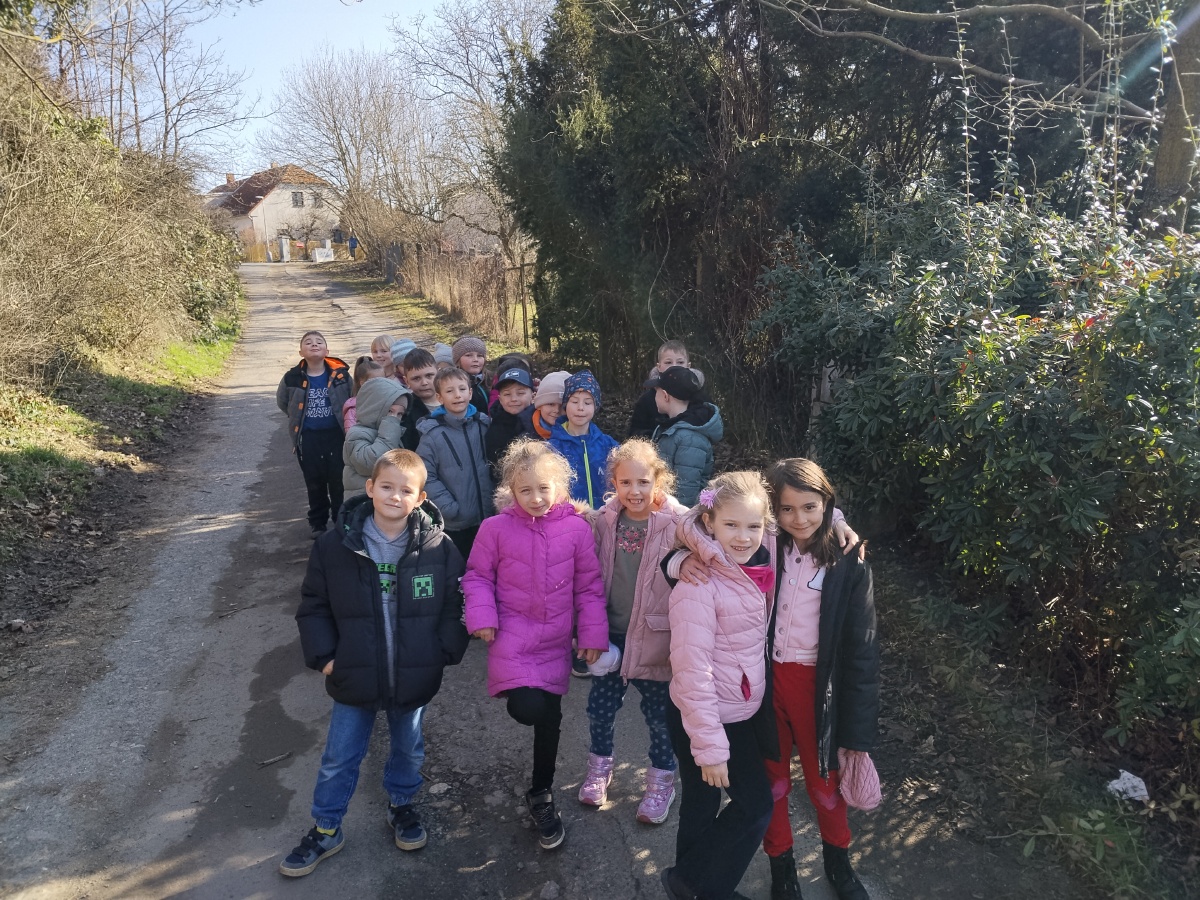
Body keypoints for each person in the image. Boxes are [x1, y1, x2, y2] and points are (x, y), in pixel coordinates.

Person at [282, 449, 469, 877]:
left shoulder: (439, 549)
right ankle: (326, 828)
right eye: (386, 487)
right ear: (369, 488)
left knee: (408, 748)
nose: (394, 497)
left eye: (405, 490)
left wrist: (443, 651)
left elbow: (457, 603)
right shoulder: (335, 546)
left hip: (414, 671)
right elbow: (313, 605)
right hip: (353, 672)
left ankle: (401, 805)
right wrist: (326, 657)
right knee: (340, 756)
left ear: (420, 498)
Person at [462, 439, 609, 851]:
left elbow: (589, 587)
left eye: (544, 488)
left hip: (556, 641)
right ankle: (540, 786)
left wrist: (591, 635)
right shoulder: (495, 528)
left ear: (559, 486)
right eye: (525, 490)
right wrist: (482, 617)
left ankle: (541, 793)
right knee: (527, 708)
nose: (536, 498)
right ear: (511, 489)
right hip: (511, 635)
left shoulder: (577, 529)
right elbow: (476, 576)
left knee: (550, 718)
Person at [760, 458, 877, 900]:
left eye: (810, 507)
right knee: (773, 780)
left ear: (827, 503)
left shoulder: (848, 562)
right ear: (772, 510)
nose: (799, 519)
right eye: (786, 509)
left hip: (817, 689)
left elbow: (863, 651)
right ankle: (781, 867)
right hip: (765, 682)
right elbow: (708, 510)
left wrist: (857, 733)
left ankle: (838, 863)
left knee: (825, 785)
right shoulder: (762, 543)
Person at [661, 471, 777, 900]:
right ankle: (695, 885)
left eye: (753, 526)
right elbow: (692, 671)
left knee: (709, 802)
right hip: (704, 715)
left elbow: (808, 512)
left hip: (736, 710)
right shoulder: (698, 583)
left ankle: (691, 886)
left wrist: (837, 521)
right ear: (709, 522)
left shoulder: (758, 561)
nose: (743, 537)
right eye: (731, 525)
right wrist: (710, 748)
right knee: (747, 805)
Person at [579, 439, 687, 824]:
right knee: (600, 709)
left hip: (656, 639)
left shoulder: (679, 523)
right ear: (614, 483)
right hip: (610, 636)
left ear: (659, 481)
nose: (634, 491)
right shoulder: (604, 520)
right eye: (625, 482)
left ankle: (661, 781)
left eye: (643, 482)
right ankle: (599, 768)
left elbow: (723, 529)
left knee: (659, 716)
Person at [276, 331, 352, 538]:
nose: (314, 344)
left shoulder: (341, 375)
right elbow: (283, 402)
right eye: (308, 342)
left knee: (338, 481)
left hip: (337, 437)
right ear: (301, 352)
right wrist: (298, 418)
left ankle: (340, 520)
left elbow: (352, 397)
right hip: (309, 439)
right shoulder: (292, 377)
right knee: (314, 482)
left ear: (327, 350)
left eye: (319, 342)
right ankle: (318, 523)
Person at [415, 367, 493, 560]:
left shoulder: (484, 424)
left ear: (470, 392)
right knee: (461, 566)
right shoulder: (432, 434)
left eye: (462, 389)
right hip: (457, 523)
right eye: (450, 391)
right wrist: (448, 507)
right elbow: (425, 475)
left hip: (489, 516)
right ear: (439, 397)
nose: (457, 395)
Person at [652, 366, 724, 507]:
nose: (654, 397)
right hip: (662, 508)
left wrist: (676, 516)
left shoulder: (690, 438)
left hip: (675, 514)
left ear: (665, 396)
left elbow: (686, 491)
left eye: (656, 392)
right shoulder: (669, 427)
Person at [547, 370, 619, 509]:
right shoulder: (552, 448)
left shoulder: (608, 445)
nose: (580, 408)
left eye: (587, 403)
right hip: (568, 518)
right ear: (565, 405)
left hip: (605, 517)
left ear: (595, 407)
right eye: (574, 401)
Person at [342, 377, 411, 499]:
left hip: (385, 499)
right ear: (373, 408)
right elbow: (370, 463)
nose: (394, 418)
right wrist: (390, 428)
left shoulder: (393, 433)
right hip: (363, 500)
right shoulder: (357, 433)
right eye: (390, 411)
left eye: (400, 414)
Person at [484, 366, 536, 480]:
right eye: (507, 394)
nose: (513, 399)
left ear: (533, 397)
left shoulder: (540, 422)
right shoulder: (493, 428)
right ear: (500, 399)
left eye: (520, 393)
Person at [630, 340, 691, 438]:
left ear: (688, 366)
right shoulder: (646, 400)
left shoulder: (696, 396)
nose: (674, 367)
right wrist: (656, 437)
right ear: (659, 367)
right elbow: (633, 433)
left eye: (680, 362)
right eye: (668, 362)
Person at [399, 348, 440, 451]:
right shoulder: (406, 411)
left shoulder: (455, 401)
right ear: (406, 381)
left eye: (429, 376)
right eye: (416, 378)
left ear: (439, 374)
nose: (424, 383)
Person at [342, 356, 383, 430]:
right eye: (376, 381)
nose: (381, 384)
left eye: (383, 380)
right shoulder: (353, 408)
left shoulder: (388, 402)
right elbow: (351, 432)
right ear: (363, 383)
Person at [451, 335, 490, 412]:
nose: (475, 359)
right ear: (458, 360)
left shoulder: (490, 380)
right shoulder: (452, 383)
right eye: (468, 355)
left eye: (480, 356)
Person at [529, 370, 569, 439]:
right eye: (551, 404)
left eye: (562, 405)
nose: (557, 410)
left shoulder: (581, 433)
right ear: (539, 406)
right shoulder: (525, 431)